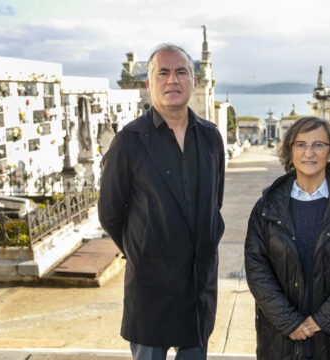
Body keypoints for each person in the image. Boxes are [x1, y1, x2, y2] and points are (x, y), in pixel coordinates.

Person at [98, 44, 225, 360]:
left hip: (198, 286)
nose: (173, 80)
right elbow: (110, 212)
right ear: (149, 83)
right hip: (151, 288)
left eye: (181, 72)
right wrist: (143, 252)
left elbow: (214, 202)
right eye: (163, 73)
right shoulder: (129, 141)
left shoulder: (211, 138)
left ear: (193, 82)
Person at [244, 116, 330, 360]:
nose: (310, 152)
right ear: (290, 151)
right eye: (301, 144)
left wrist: (320, 321)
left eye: (319, 145)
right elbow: (257, 270)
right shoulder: (266, 207)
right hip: (283, 337)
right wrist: (290, 322)